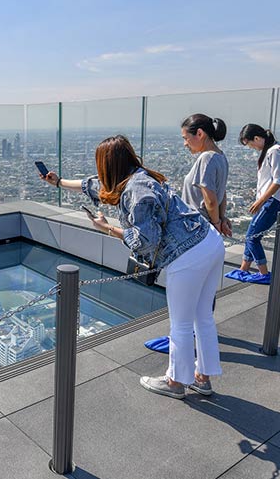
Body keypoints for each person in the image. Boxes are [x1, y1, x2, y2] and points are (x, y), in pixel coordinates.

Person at [41, 135, 224, 398]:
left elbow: (147, 241)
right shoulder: (137, 175)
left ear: (108, 165)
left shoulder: (136, 192)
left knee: (181, 324)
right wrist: (58, 182)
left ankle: (175, 383)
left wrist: (109, 229)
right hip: (209, 241)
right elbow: (93, 185)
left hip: (188, 256)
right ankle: (201, 378)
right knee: (203, 317)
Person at [227, 124, 280, 284]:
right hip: (270, 200)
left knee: (252, 236)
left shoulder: (275, 151)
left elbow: (278, 181)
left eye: (250, 144)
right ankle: (244, 269)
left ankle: (264, 273)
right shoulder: (270, 151)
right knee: (252, 234)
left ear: (256, 138)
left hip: (274, 201)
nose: (251, 148)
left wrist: (260, 201)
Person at [181, 114, 232, 237]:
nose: (185, 144)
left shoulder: (206, 158)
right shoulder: (221, 156)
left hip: (196, 226)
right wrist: (221, 218)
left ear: (200, 133)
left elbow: (211, 200)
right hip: (206, 224)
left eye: (186, 138)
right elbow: (221, 192)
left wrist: (216, 224)